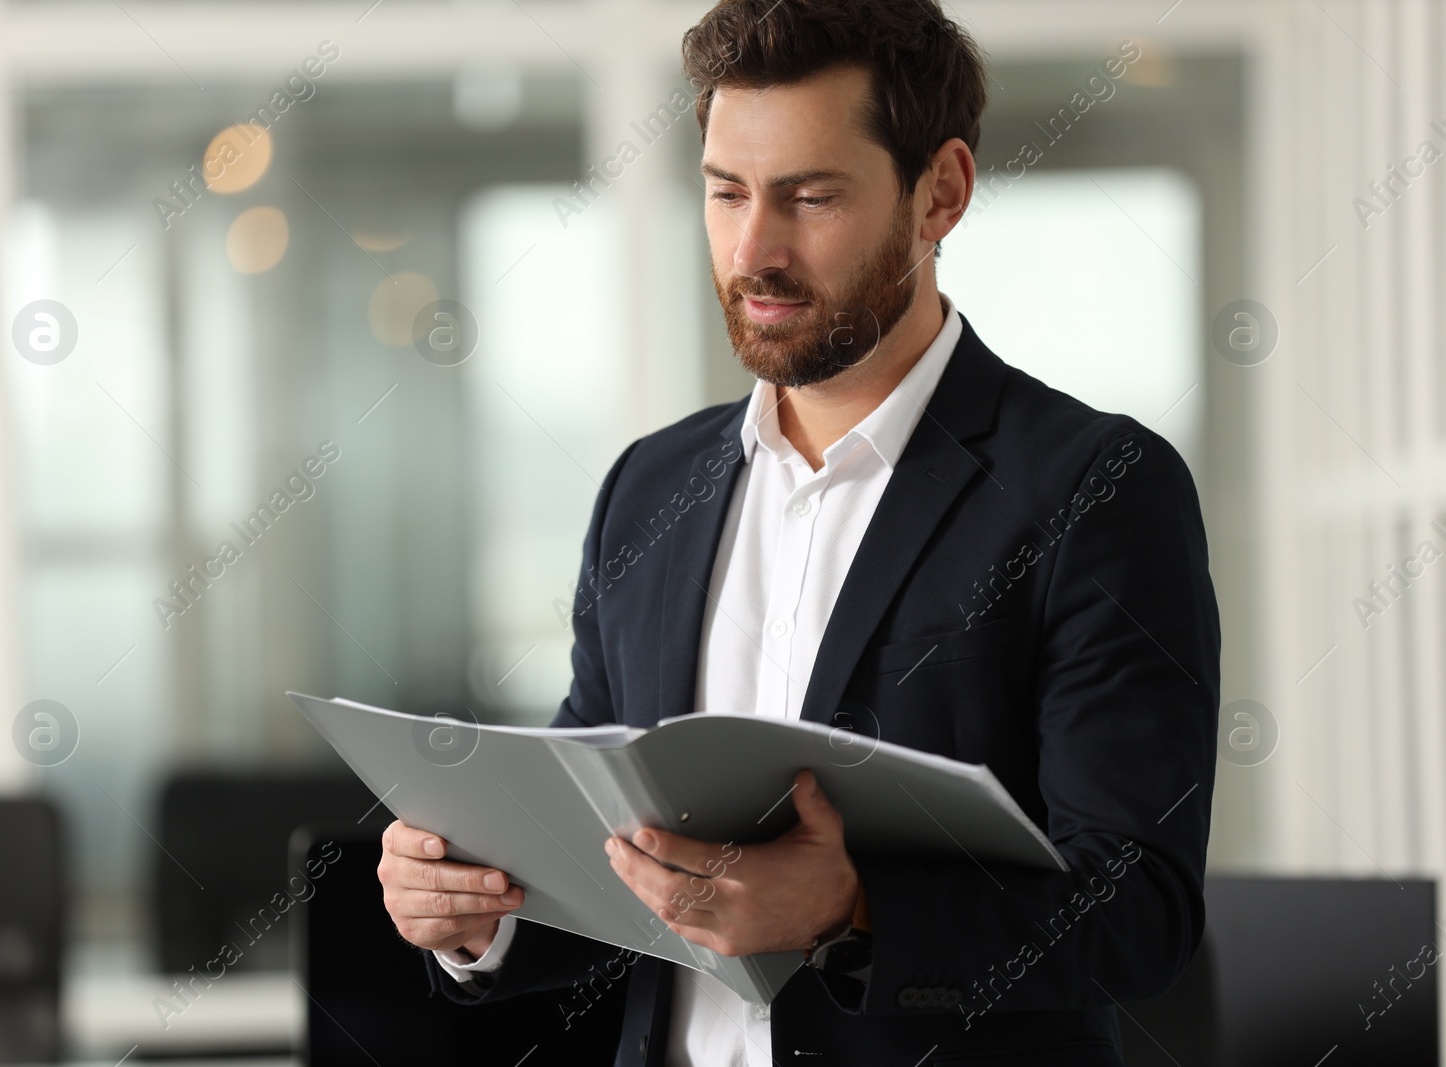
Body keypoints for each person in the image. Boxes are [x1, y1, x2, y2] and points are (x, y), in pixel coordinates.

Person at [377, 0, 1220, 1062]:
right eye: (724, 191)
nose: (753, 248)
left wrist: (853, 907)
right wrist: (477, 910)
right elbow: (605, 855)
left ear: (941, 194)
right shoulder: (648, 486)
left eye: (810, 196)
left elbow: (1140, 910)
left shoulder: (1095, 487)